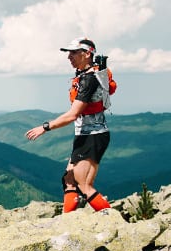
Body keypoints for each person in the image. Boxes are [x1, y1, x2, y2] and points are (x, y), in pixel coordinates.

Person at [25, 37, 113, 213]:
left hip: (93, 136)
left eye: (73, 53)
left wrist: (45, 127)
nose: (69, 57)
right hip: (86, 135)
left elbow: (73, 114)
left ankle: (114, 223)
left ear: (87, 54)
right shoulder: (86, 76)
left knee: (85, 185)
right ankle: (68, 220)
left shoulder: (89, 79)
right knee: (69, 180)